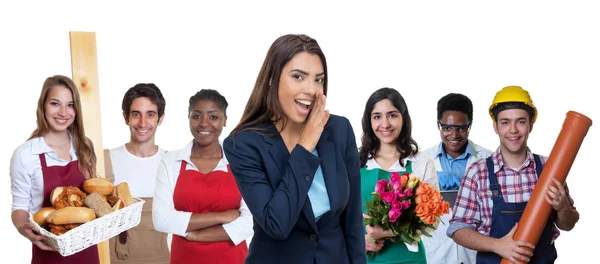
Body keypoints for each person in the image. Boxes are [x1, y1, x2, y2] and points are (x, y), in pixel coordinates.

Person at [223, 34, 365, 264]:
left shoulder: (339, 130)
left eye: (318, 80)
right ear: (272, 78)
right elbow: (276, 223)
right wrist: (305, 146)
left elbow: (353, 223)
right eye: (298, 77)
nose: (311, 89)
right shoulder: (243, 144)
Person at [447, 86, 580, 263]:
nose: (513, 130)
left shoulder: (551, 168)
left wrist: (563, 207)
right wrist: (497, 245)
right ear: (495, 126)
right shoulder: (477, 173)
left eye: (521, 121)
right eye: (505, 122)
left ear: (531, 124)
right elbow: (458, 229)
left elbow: (568, 224)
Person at [153, 89, 253, 264]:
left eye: (213, 117)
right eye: (197, 116)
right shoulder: (170, 161)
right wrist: (222, 216)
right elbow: (161, 219)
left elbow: (251, 221)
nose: (204, 124)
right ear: (189, 117)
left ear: (225, 120)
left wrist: (197, 235)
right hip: (184, 258)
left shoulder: (241, 162)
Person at [10, 75, 100, 264]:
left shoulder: (84, 146)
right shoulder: (26, 154)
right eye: (55, 103)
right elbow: (19, 208)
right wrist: (22, 228)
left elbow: (93, 196)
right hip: (48, 252)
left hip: (88, 252)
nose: (63, 112)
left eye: (70, 105)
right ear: (43, 105)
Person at [359, 87, 439, 264]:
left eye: (392, 115)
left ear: (404, 118)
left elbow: (433, 219)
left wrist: (387, 232)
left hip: (409, 259)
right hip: (364, 257)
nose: (385, 124)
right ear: (369, 121)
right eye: (377, 116)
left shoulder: (421, 162)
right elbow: (341, 215)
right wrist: (357, 240)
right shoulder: (356, 162)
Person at [421, 93, 493, 264]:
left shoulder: (488, 160)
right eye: (447, 128)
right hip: (436, 251)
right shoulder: (423, 161)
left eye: (461, 128)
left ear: (470, 125)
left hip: (474, 250)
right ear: (438, 125)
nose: (454, 135)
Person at [104, 83, 170, 263]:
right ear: (125, 117)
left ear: (160, 118)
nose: (142, 123)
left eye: (150, 114)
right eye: (136, 114)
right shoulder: (104, 161)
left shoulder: (172, 163)